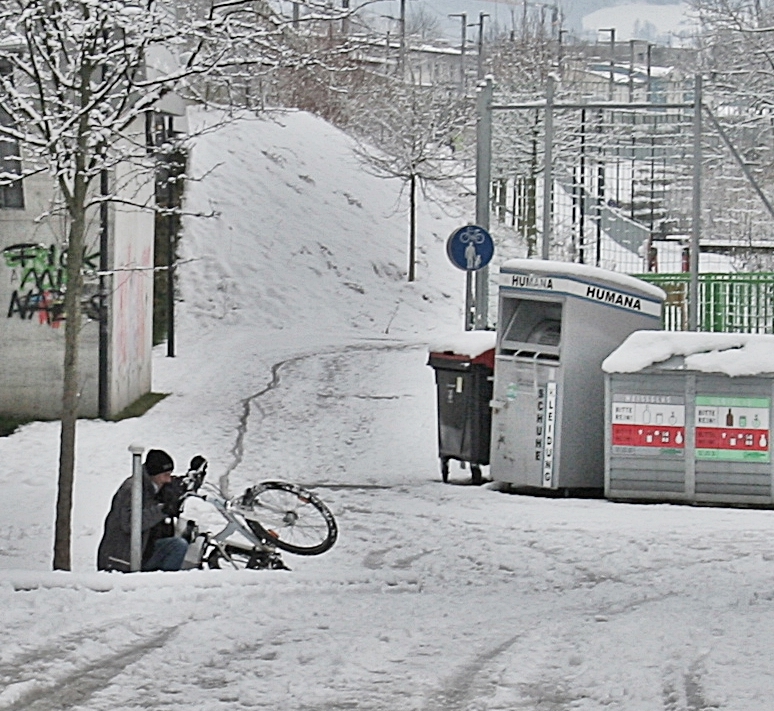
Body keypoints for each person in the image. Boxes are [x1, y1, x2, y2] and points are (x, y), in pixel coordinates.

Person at [97, 449, 189, 572]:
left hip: (144, 549)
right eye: (165, 475)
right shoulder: (133, 489)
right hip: (121, 560)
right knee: (177, 547)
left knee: (178, 545)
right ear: (154, 474)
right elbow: (130, 523)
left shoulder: (154, 487)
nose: (168, 480)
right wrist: (163, 510)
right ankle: (164, 585)